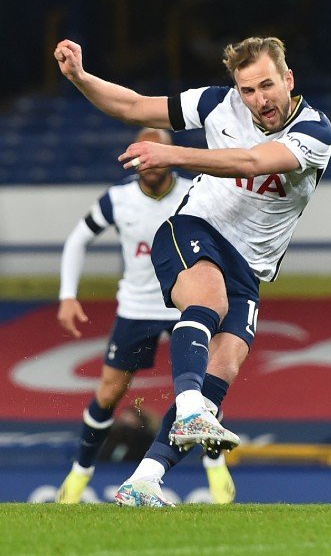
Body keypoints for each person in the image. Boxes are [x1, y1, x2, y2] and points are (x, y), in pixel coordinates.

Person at [54, 36, 331, 507]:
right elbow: (135, 107)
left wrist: (174, 154)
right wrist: (81, 78)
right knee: (208, 304)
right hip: (193, 228)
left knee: (219, 375)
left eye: (267, 85)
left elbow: (252, 160)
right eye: (247, 90)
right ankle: (185, 411)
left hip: (251, 266)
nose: (259, 100)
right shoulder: (216, 104)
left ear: (288, 80)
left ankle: (144, 480)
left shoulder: (315, 132)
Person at [54, 128, 236, 505]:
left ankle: (215, 467)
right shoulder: (118, 198)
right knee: (109, 392)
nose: (146, 162)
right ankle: (79, 474)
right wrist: (67, 295)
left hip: (186, 302)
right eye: (139, 154)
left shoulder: (194, 191)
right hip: (136, 307)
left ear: (170, 155)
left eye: (155, 152)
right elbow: (77, 238)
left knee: (206, 382)